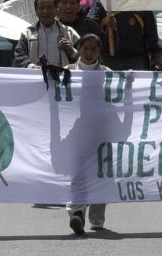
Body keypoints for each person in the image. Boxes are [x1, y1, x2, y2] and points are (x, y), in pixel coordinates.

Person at [65, 34, 111, 234]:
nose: (90, 53)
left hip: (101, 131)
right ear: (79, 49)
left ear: (99, 52)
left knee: (101, 173)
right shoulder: (67, 72)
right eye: (86, 48)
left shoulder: (107, 73)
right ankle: (77, 213)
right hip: (76, 132)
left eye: (94, 49)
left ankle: (97, 219)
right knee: (78, 173)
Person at [85, 0, 161, 70]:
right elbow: (90, 28)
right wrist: (106, 28)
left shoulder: (143, 7)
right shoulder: (102, 5)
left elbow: (152, 38)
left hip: (137, 61)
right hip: (108, 60)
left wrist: (156, 57)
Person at [13, 0, 79, 68]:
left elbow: (85, 57)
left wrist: (71, 51)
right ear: (36, 11)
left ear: (56, 9)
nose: (45, 11)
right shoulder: (28, 33)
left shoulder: (69, 32)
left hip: (62, 78)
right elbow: (19, 55)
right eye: (41, 8)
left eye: (49, 7)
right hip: (36, 77)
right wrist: (31, 66)